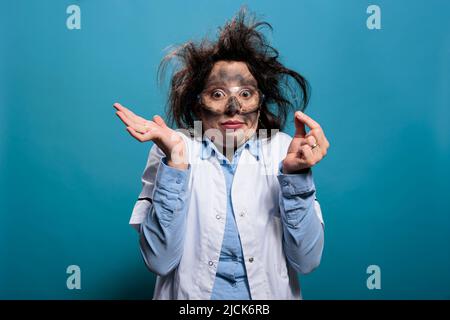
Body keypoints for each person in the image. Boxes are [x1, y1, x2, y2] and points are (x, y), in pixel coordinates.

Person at [113, 8, 330, 300]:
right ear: (197, 104)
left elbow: (307, 261)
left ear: (260, 102)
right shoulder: (171, 148)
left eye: (245, 94)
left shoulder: (283, 149)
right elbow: (159, 261)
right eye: (217, 94)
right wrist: (176, 162)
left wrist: (296, 177)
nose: (233, 108)